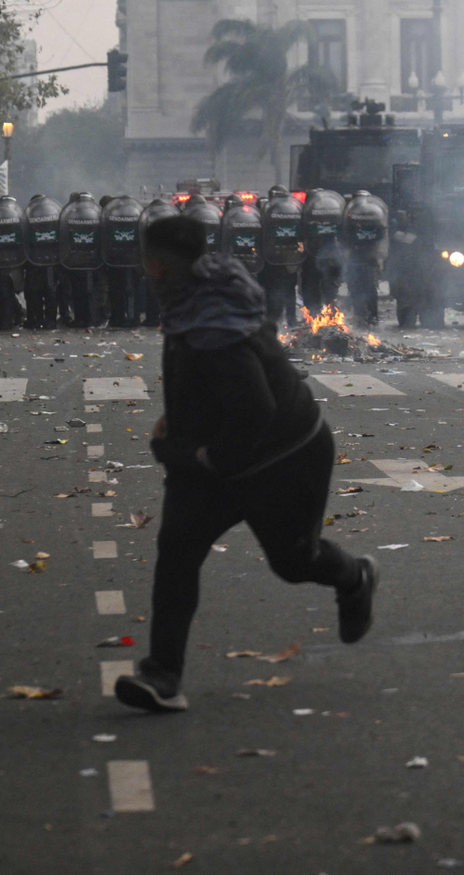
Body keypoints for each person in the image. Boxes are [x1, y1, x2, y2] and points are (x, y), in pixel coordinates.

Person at [114, 214, 378, 713]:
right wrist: (182, 420)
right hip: (224, 455)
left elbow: (255, 407)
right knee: (176, 553)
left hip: (284, 455)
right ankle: (162, 675)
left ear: (156, 264)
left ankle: (354, 577)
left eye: (146, 260)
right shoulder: (199, 292)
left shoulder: (214, 321)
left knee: (295, 562)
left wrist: (206, 457)